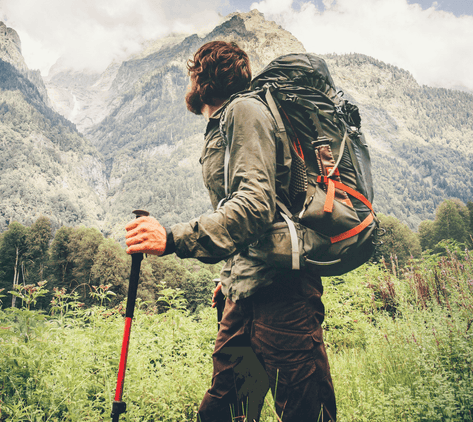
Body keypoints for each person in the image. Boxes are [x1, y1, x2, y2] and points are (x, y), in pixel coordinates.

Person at [124, 40, 337, 422]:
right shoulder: (225, 122)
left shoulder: (244, 110)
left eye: (192, 75)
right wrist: (232, 274)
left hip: (285, 297)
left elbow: (255, 205)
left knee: (306, 413)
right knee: (222, 412)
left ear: (205, 78)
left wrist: (173, 239)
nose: (189, 84)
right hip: (245, 294)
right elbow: (249, 206)